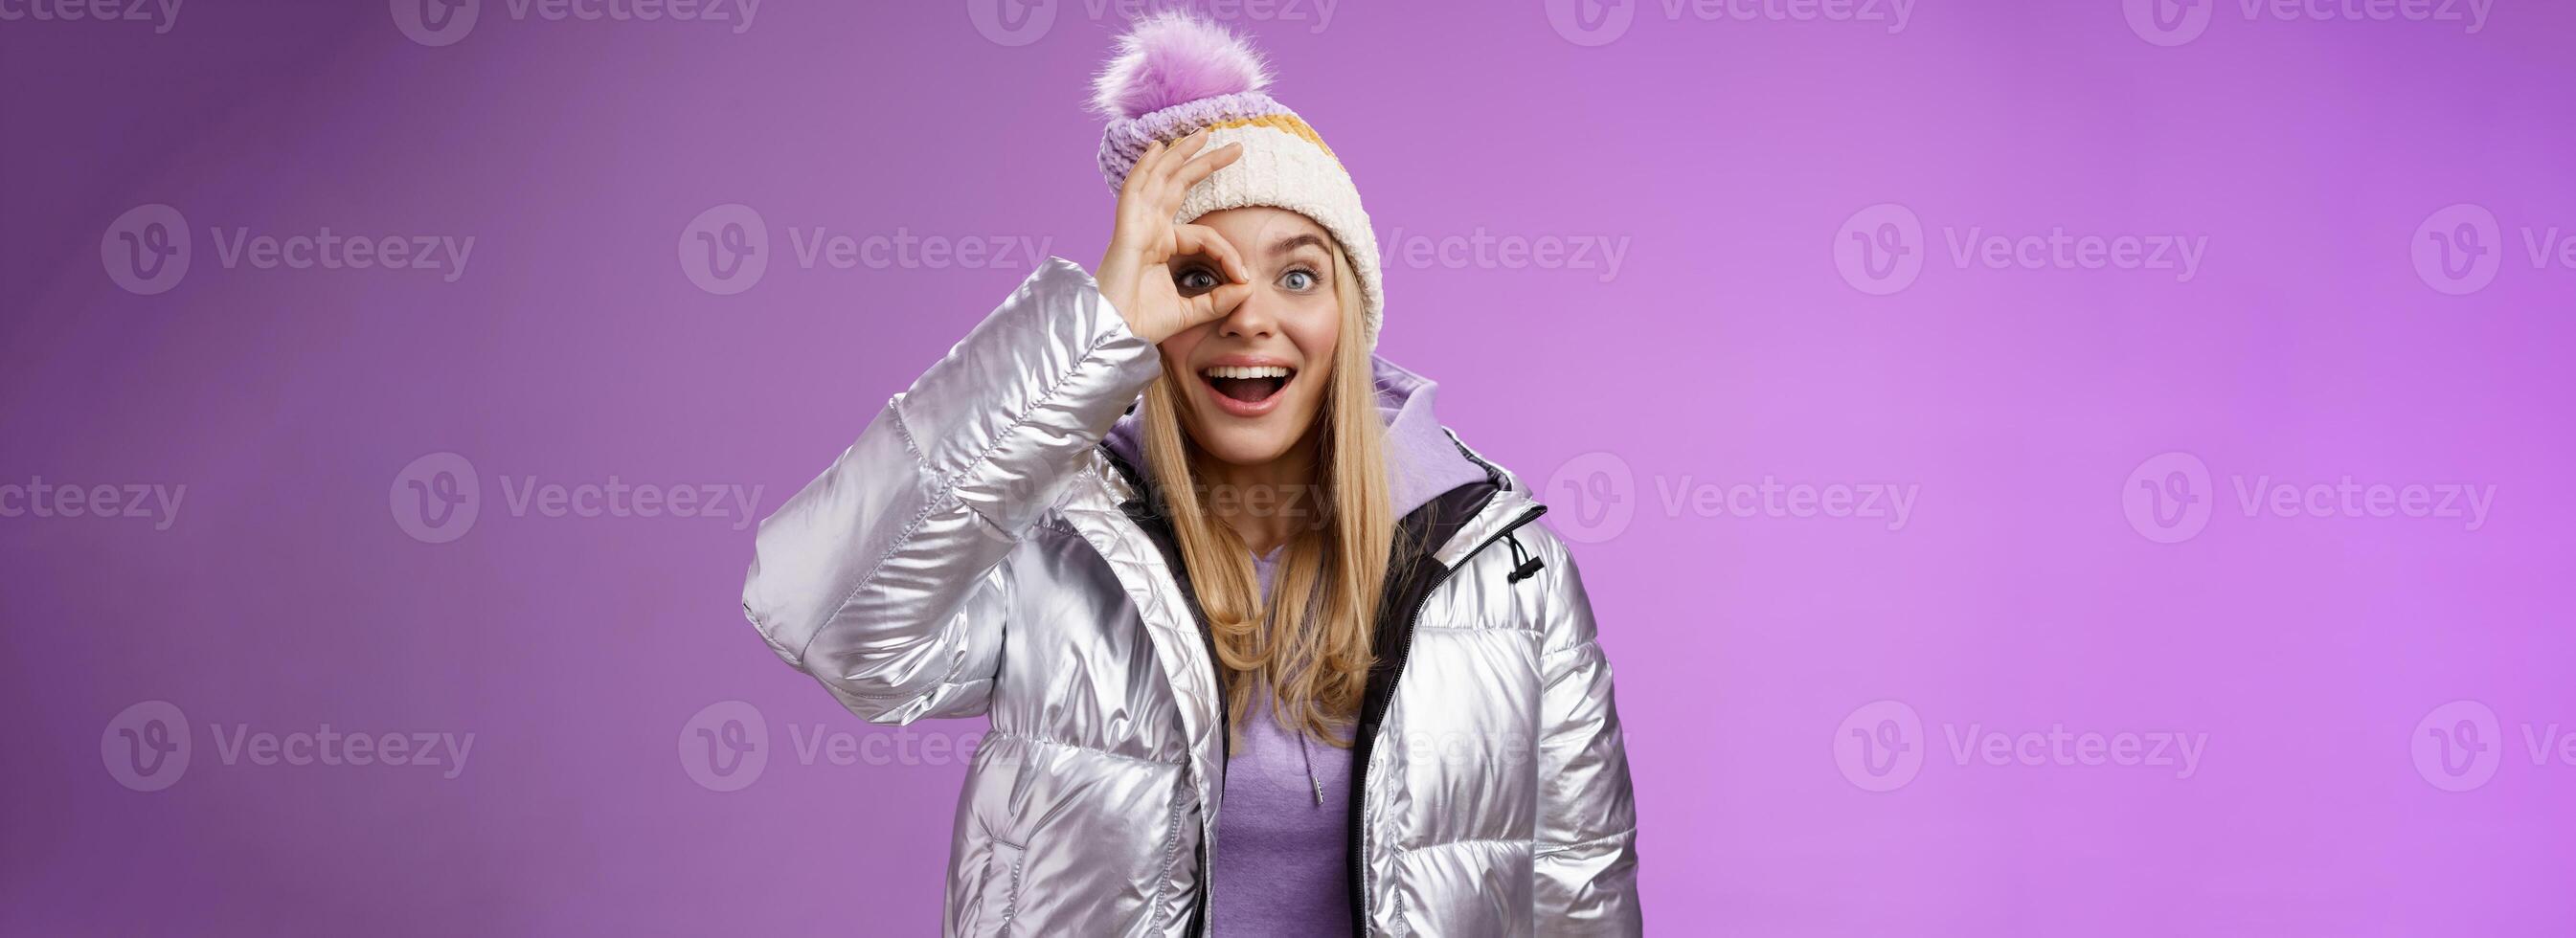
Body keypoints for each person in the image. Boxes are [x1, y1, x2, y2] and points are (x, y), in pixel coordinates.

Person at [739, 12, 1640, 935]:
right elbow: (827, 619)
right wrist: (1090, 328)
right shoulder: (1053, 538)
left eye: (1297, 278)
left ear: (1351, 319)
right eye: (1202, 275)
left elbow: (1581, 890)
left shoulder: (1505, 569)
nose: (1250, 317)